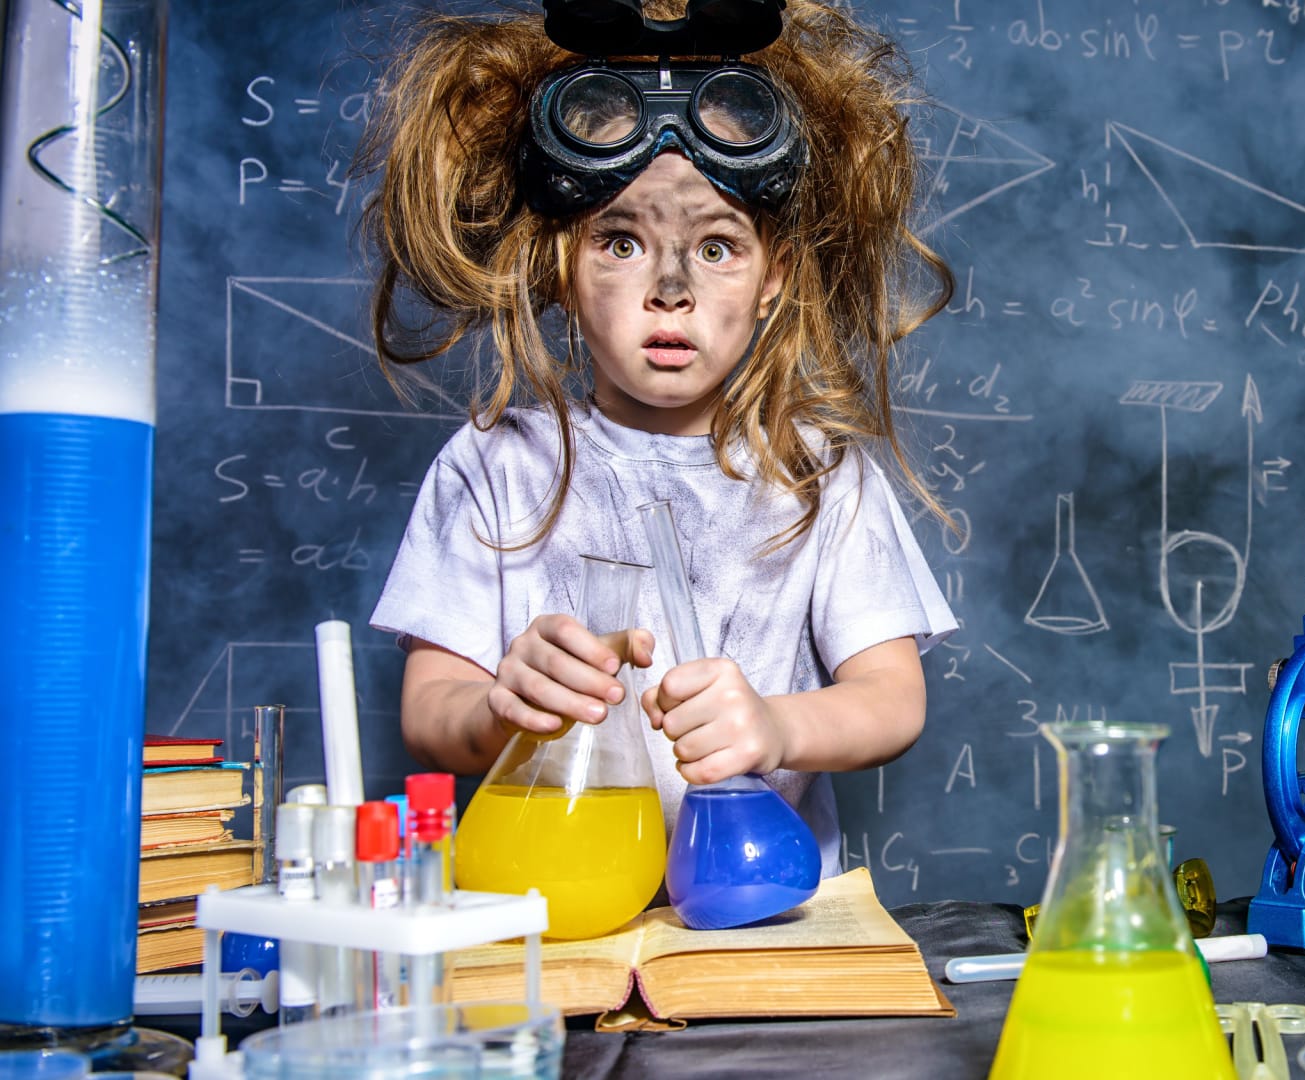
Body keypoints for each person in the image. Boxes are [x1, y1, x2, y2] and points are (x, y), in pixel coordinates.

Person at [361, 0, 957, 876]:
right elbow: (429, 713)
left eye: (717, 248)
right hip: (557, 916)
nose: (670, 289)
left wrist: (777, 724)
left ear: (773, 278)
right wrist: (500, 703)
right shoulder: (493, 464)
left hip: (758, 921)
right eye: (620, 241)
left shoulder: (819, 473)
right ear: (559, 266)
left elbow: (893, 700)